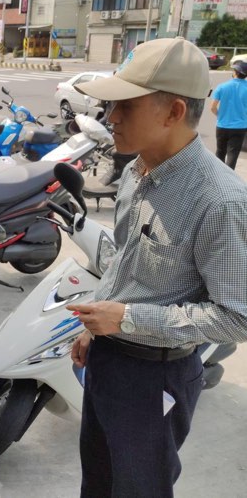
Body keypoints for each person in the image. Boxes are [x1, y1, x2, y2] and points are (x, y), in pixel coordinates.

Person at [69, 37, 247, 498]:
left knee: (140, 487)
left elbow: (236, 316)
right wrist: (97, 323)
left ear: (172, 113)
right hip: (108, 358)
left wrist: (128, 318)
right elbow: (125, 259)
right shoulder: (137, 170)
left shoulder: (220, 201)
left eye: (127, 106)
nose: (112, 118)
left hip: (156, 376)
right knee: (99, 481)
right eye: (111, 105)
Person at [210, 60, 247, 169]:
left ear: (235, 72)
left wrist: (219, 115)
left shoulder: (222, 86)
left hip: (222, 125)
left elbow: (212, 107)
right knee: (233, 154)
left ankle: (217, 176)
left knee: (220, 152)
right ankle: (229, 180)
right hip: (240, 127)